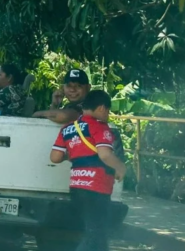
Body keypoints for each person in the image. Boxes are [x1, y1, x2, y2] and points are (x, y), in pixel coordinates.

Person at [50, 90, 126, 251]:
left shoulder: (68, 128)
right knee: (95, 234)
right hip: (97, 187)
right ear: (101, 108)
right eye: (108, 110)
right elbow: (105, 155)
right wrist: (120, 167)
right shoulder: (100, 127)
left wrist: (71, 155)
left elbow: (55, 157)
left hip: (77, 187)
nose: (108, 114)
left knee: (97, 234)